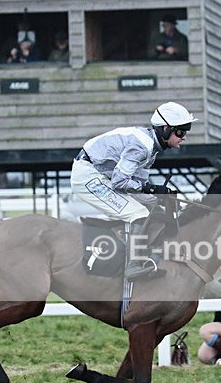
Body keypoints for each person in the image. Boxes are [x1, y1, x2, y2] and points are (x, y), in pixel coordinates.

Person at [70, 101, 197, 281]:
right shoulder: (142, 146)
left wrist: (159, 196)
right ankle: (133, 265)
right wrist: (153, 188)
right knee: (137, 213)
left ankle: (153, 256)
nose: (184, 137)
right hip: (89, 177)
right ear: (166, 128)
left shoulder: (151, 148)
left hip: (102, 174)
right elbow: (120, 182)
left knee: (154, 206)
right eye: (180, 132)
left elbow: (138, 183)